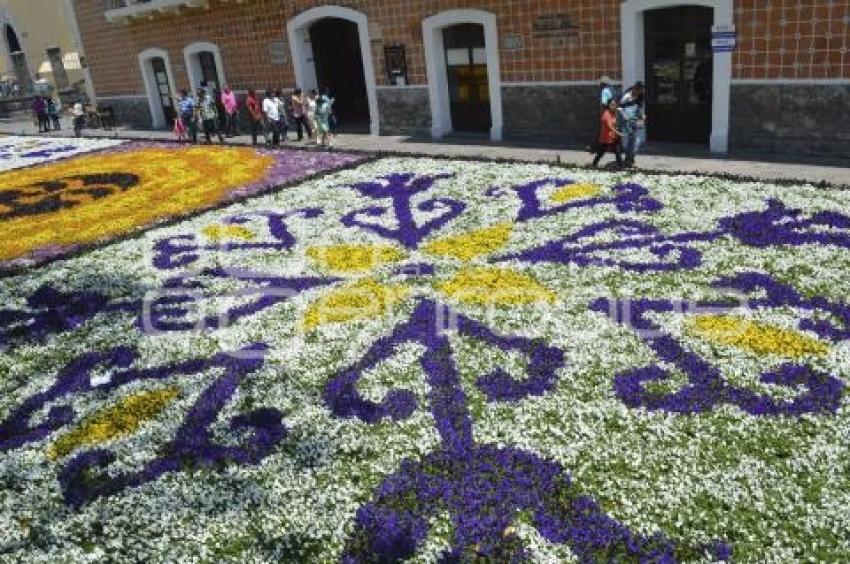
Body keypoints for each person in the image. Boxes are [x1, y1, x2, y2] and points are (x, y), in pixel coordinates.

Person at [618, 81, 646, 168]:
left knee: (636, 142)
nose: (640, 92)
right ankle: (628, 159)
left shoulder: (640, 97)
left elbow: (640, 110)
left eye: (641, 91)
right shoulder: (627, 96)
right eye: (639, 90)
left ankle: (630, 159)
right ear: (635, 88)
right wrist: (625, 117)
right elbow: (620, 107)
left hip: (635, 121)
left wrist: (642, 119)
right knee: (628, 142)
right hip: (627, 122)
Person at [591, 98, 623, 169]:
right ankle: (594, 164)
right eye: (612, 105)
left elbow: (618, 122)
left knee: (617, 151)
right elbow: (609, 126)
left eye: (615, 105)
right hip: (606, 137)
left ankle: (620, 166)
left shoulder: (615, 113)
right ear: (608, 105)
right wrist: (618, 133)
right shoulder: (606, 114)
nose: (613, 106)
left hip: (614, 137)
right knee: (601, 152)